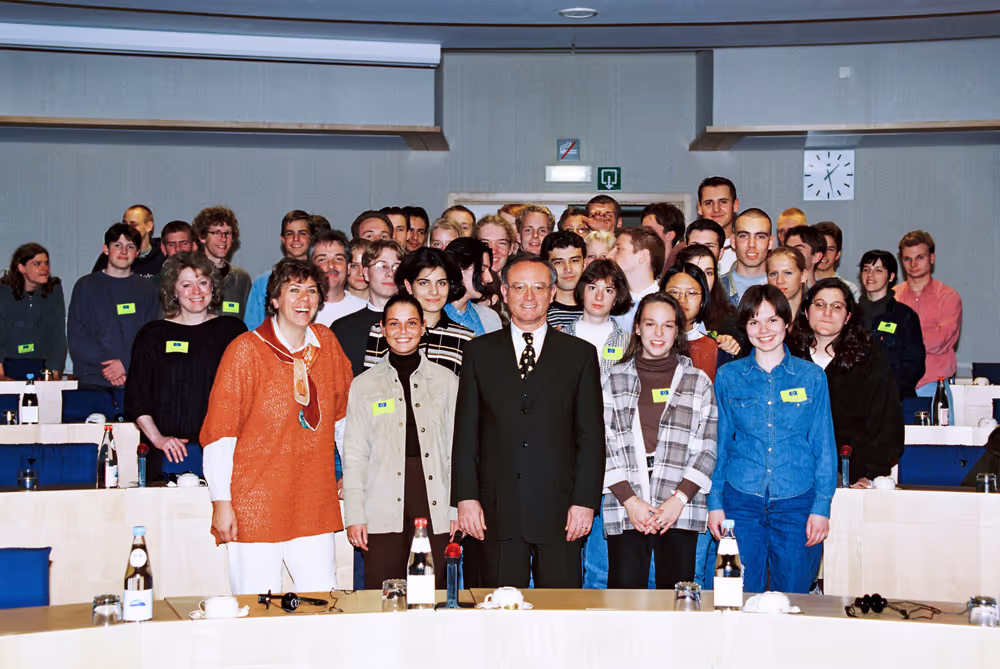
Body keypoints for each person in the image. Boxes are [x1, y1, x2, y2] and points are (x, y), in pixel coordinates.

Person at [452, 255, 605, 588]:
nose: (529, 296)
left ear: (552, 293)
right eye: (519, 287)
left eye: (539, 287)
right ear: (505, 292)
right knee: (500, 614)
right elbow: (466, 434)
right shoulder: (479, 352)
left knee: (562, 614)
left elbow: (591, 437)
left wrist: (584, 501)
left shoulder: (579, 354)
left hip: (561, 510)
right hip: (496, 510)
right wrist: (466, 498)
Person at [202, 258, 353, 594]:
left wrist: (353, 473)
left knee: (321, 601)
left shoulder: (326, 345)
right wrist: (221, 502)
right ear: (274, 299)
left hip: (312, 497)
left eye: (312, 291)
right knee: (257, 607)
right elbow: (220, 435)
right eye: (294, 290)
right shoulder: (245, 351)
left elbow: (344, 418)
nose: (304, 299)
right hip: (255, 501)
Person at [707, 285, 836, 595]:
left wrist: (822, 507)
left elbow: (823, 446)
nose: (764, 330)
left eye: (772, 320)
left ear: (787, 323)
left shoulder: (811, 377)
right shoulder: (728, 376)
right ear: (745, 328)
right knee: (737, 594)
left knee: (791, 595)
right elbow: (718, 444)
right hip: (740, 500)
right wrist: (715, 502)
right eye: (754, 322)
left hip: (797, 502)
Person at [343, 294, 460, 590]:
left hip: (435, 498)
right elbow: (355, 455)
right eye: (394, 323)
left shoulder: (447, 381)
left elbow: (459, 451)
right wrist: (355, 515)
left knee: (432, 592)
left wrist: (457, 510)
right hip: (381, 500)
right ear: (382, 329)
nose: (403, 330)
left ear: (423, 328)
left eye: (411, 323)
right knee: (382, 593)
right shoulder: (363, 385)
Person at [601, 293, 717, 589]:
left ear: (677, 331)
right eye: (651, 324)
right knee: (624, 603)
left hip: (679, 506)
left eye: (667, 326)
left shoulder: (698, 381)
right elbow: (602, 443)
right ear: (637, 327)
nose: (658, 333)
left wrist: (678, 500)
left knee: (677, 600)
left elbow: (707, 447)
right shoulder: (612, 380)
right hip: (626, 503)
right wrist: (631, 501)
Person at [125, 252, 247, 479]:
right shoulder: (152, 335)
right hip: (168, 452)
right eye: (187, 285)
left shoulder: (233, 331)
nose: (196, 291)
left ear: (213, 286)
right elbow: (136, 398)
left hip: (223, 450)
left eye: (202, 282)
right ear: (174, 291)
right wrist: (158, 439)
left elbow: (249, 392)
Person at [788, 278, 904, 488]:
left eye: (837, 307)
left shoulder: (868, 359)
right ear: (806, 311)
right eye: (820, 305)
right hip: (791, 476)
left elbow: (887, 424)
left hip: (852, 477)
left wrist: (870, 476)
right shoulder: (787, 357)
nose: (827, 312)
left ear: (848, 316)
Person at [68, 223, 159, 389]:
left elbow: (152, 335)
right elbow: (77, 336)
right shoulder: (85, 286)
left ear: (137, 253)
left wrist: (125, 363)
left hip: (136, 378)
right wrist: (109, 367)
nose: (124, 252)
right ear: (106, 249)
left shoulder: (149, 289)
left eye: (130, 246)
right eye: (117, 245)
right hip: (94, 379)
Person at [364, 247, 474, 374]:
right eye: (424, 283)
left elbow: (466, 390)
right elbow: (369, 386)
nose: (434, 291)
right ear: (409, 286)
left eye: (441, 283)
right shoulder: (382, 331)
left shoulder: (464, 337)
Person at [894, 230, 962, 395]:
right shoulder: (893, 297)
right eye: (907, 259)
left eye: (920, 257)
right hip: (897, 385)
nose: (913, 264)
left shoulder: (948, 296)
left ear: (932, 258)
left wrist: (903, 339)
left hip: (934, 385)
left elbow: (940, 341)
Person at [857, 250, 925, 398]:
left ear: (891, 276)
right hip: (854, 400)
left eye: (878, 270)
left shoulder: (905, 316)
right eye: (866, 269)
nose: (870, 275)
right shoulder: (849, 314)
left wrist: (887, 389)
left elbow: (914, 365)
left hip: (893, 399)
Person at [332, 240, 403, 378]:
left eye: (396, 267)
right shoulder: (342, 328)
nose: (390, 273)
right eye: (382, 266)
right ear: (365, 273)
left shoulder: (415, 325)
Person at [0, 243, 66, 379]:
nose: (44, 268)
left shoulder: (54, 290)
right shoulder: (3, 291)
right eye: (37, 264)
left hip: (42, 365)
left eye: (46, 263)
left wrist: (53, 373)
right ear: (21, 268)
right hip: (8, 363)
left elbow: (57, 335)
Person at [244, 210, 312, 331]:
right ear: (283, 239)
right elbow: (253, 329)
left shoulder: (321, 279)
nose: (296, 239)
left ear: (310, 238)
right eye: (290, 234)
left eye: (302, 233)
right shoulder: (263, 282)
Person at [564, 259, 633, 375]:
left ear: (616, 298)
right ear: (582, 291)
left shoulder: (629, 342)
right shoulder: (562, 336)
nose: (599, 297)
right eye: (593, 288)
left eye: (608, 290)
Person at [662, 264, 722, 381]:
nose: (682, 300)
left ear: (702, 300)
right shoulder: (651, 342)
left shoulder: (715, 348)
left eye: (691, 293)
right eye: (674, 292)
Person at [192, 206, 252, 319]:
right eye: (216, 232)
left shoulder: (241, 279)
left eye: (227, 233)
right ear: (202, 237)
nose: (223, 239)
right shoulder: (188, 276)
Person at [443, 238, 502, 336]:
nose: (489, 279)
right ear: (459, 267)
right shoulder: (430, 316)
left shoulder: (490, 318)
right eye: (482, 269)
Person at [611, 227, 665, 330]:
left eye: (618, 249)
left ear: (643, 256)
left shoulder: (666, 305)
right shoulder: (610, 301)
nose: (610, 255)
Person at [92, 205, 165, 278]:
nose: (128, 229)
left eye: (133, 225)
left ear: (149, 226)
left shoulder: (163, 254)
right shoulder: (111, 256)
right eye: (125, 224)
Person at [312, 230, 367, 328]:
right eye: (322, 259)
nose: (331, 265)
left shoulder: (365, 309)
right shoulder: (301, 310)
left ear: (349, 268)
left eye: (338, 259)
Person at [719, 209, 772, 306]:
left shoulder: (782, 286)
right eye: (744, 236)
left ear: (771, 242)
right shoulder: (715, 289)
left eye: (760, 237)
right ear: (733, 241)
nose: (752, 244)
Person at [541, 231, 586, 330]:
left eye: (574, 261)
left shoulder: (600, 308)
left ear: (585, 264)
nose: (568, 269)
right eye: (559, 262)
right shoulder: (538, 314)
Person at [696, 177, 739, 273]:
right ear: (699, 208)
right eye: (709, 203)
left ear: (735, 205)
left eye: (723, 202)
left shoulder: (747, 250)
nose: (716, 209)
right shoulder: (685, 250)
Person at [813, 221, 861, 299]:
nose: (824, 254)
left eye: (830, 249)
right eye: (820, 248)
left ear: (838, 254)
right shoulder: (800, 286)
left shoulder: (850, 289)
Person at [642, 202, 687, 271]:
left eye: (649, 229)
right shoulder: (642, 268)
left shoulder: (682, 270)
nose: (642, 234)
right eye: (642, 230)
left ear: (669, 235)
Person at [766, 246, 808, 317]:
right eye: (773, 274)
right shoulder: (759, 316)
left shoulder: (814, 317)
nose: (779, 280)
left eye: (787, 273)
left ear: (803, 276)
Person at [783, 225, 825, 290]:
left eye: (798, 250)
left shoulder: (823, 295)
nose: (791, 254)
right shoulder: (776, 293)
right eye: (787, 249)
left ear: (816, 257)